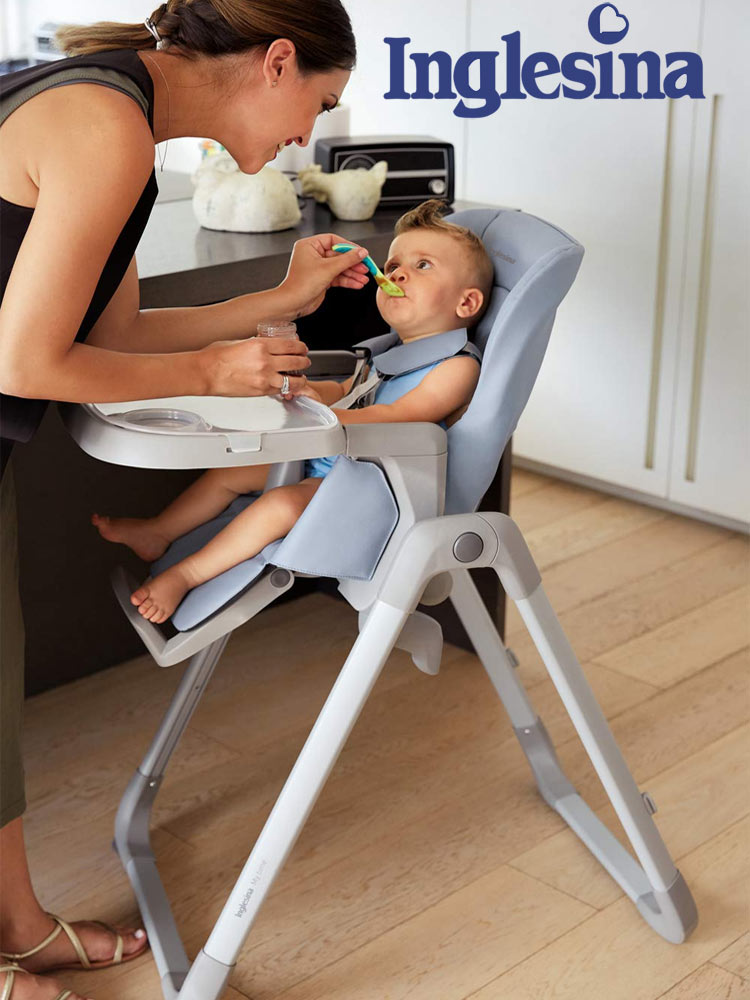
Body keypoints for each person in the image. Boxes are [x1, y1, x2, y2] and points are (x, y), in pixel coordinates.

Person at [0, 3, 370, 998]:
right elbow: (28, 357)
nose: (309, 135)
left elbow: (111, 327)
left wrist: (271, 302)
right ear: (278, 60)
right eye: (319, 103)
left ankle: (20, 929)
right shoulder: (105, 124)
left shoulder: (126, 121)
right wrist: (215, 369)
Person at [92, 200, 494, 622]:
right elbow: (347, 391)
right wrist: (308, 393)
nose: (397, 273)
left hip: (375, 488)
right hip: (334, 460)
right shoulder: (392, 352)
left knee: (282, 507)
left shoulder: (457, 365)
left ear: (466, 303)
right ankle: (160, 531)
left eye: (423, 265)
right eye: (393, 265)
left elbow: (408, 413)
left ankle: (186, 575)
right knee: (233, 472)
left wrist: (329, 422)